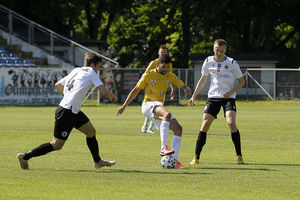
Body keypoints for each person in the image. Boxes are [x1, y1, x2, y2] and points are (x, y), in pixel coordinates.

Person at [17, 52, 118, 170]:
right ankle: (25, 156)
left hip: (72, 110)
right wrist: (113, 97)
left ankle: (97, 161)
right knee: (56, 144)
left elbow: (58, 84)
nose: (98, 69)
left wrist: (68, 97)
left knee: (91, 132)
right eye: (98, 66)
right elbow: (104, 92)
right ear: (92, 65)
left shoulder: (77, 70)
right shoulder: (91, 72)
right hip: (67, 112)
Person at [117, 53, 192, 168]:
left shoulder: (169, 75)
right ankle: (163, 147)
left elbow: (181, 84)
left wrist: (186, 89)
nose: (165, 69)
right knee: (167, 114)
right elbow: (135, 90)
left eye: (167, 67)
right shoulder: (148, 75)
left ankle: (173, 161)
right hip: (148, 105)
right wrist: (124, 106)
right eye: (163, 67)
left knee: (178, 129)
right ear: (158, 64)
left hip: (158, 107)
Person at [189, 39, 245, 165]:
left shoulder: (232, 63)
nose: (218, 53)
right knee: (205, 124)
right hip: (213, 97)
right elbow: (203, 80)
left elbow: (242, 82)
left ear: (225, 50)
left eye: (221, 51)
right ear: (213, 49)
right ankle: (196, 157)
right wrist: (193, 96)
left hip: (228, 98)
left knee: (231, 123)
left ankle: (239, 155)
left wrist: (230, 93)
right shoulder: (208, 61)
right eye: (216, 50)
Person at [141, 45, 175, 134]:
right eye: (161, 52)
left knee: (157, 110)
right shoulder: (153, 63)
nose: (163, 54)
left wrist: (172, 89)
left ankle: (149, 127)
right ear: (158, 53)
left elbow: (170, 77)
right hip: (151, 91)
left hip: (161, 91)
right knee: (153, 109)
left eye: (165, 52)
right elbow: (146, 74)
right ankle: (146, 126)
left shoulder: (168, 64)